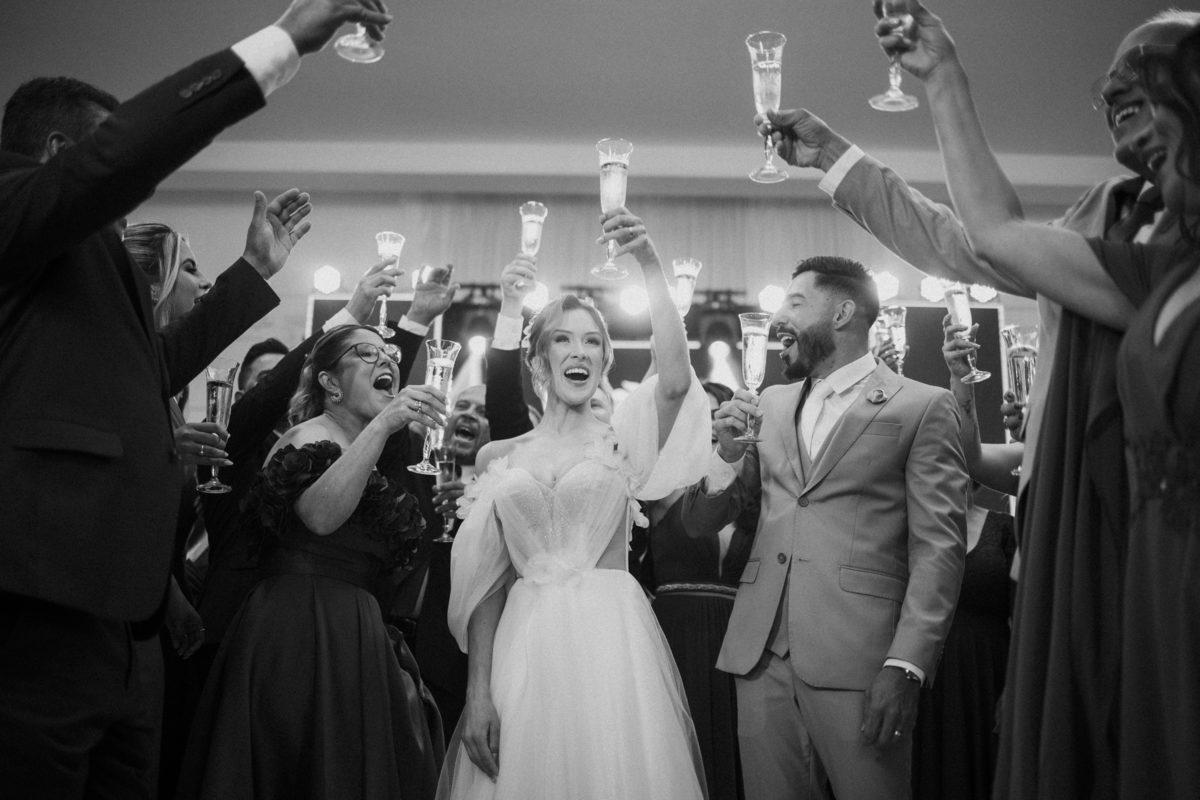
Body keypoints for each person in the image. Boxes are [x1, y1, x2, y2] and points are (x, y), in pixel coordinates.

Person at [758, 8, 1197, 795]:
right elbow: (964, 243)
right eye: (1114, 103)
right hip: (1072, 538)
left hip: (1150, 550)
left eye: (1144, 94)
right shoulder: (1114, 218)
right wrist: (834, 158)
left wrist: (944, 78)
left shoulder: (1170, 262)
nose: (1121, 118)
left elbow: (993, 235)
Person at [0, 1, 387, 788]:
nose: (128, 191)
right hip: (42, 599)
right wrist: (284, 42)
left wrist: (254, 273)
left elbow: (156, 367)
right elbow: (126, 153)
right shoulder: (15, 209)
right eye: (106, 154)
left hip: (124, 618)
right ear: (61, 153)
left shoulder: (86, 263)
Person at [437, 208, 711, 799]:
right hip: (524, 647)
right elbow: (487, 584)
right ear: (540, 359)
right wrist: (478, 690)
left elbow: (674, 383)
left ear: (605, 361)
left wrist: (649, 263)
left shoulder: (623, 441)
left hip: (609, 642)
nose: (578, 351)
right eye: (562, 339)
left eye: (591, 341)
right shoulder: (498, 457)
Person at [680, 255, 968, 800]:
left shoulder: (923, 406)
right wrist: (724, 455)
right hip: (760, 655)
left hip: (861, 659)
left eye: (795, 303)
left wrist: (906, 665)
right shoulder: (769, 403)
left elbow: (939, 551)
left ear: (841, 314)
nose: (779, 318)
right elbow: (698, 522)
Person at [178, 324, 444, 799]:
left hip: (354, 629)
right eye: (368, 353)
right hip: (298, 627)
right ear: (329, 382)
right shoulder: (308, 435)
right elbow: (320, 517)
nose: (388, 359)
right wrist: (384, 424)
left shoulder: (368, 449)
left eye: (390, 353)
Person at [907, 317, 1019, 800]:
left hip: (988, 672)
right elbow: (969, 452)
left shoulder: (1004, 527)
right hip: (926, 673)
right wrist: (960, 381)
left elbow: (1024, 613)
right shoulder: (908, 530)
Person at [642, 379, 749, 800]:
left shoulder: (752, 491)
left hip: (741, 639)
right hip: (675, 638)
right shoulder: (660, 484)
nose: (710, 426)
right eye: (698, 416)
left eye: (718, 415)